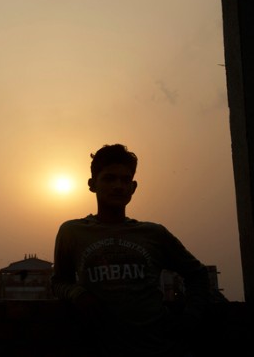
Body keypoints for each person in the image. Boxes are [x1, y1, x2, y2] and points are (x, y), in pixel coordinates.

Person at [51, 144, 210, 357]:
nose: (118, 186)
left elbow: (197, 274)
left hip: (158, 349)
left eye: (125, 180)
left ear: (133, 187)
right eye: (109, 178)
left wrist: (189, 319)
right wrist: (77, 293)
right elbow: (59, 281)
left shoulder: (154, 234)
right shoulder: (72, 232)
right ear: (92, 185)